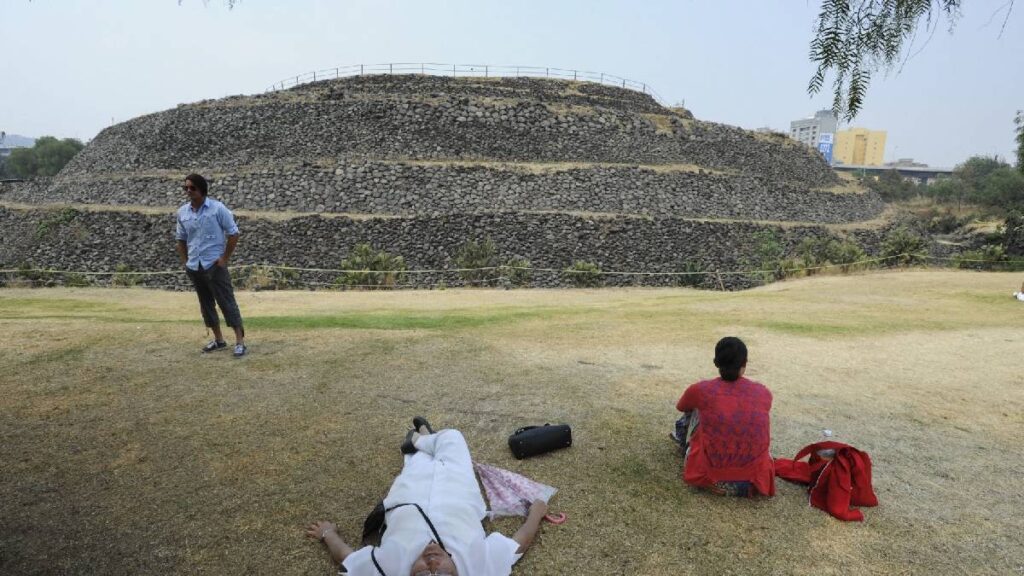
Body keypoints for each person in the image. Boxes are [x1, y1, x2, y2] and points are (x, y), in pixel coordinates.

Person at [307, 418, 549, 575]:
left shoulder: (384, 570)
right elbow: (519, 544)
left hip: (410, 490)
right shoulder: (482, 568)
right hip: (458, 488)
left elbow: (347, 558)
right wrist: (537, 513)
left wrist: (327, 533)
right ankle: (421, 436)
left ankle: (420, 439)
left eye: (422, 574)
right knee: (453, 437)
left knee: (418, 459)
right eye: (442, 573)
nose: (432, 563)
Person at [671, 337, 775, 497]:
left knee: (695, 410)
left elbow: (682, 407)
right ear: (744, 364)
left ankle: (686, 449)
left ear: (716, 362)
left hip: (709, 476)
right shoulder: (763, 392)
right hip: (754, 479)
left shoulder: (701, 390)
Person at [175, 174, 247, 357]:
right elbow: (180, 239)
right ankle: (219, 340)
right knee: (206, 304)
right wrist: (186, 262)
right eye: (186, 188)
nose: (189, 191)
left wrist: (224, 258)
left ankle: (240, 342)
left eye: (192, 188)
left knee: (227, 302)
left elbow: (234, 233)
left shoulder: (217, 209)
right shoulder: (182, 212)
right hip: (195, 266)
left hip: (214, 265)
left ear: (202, 188)